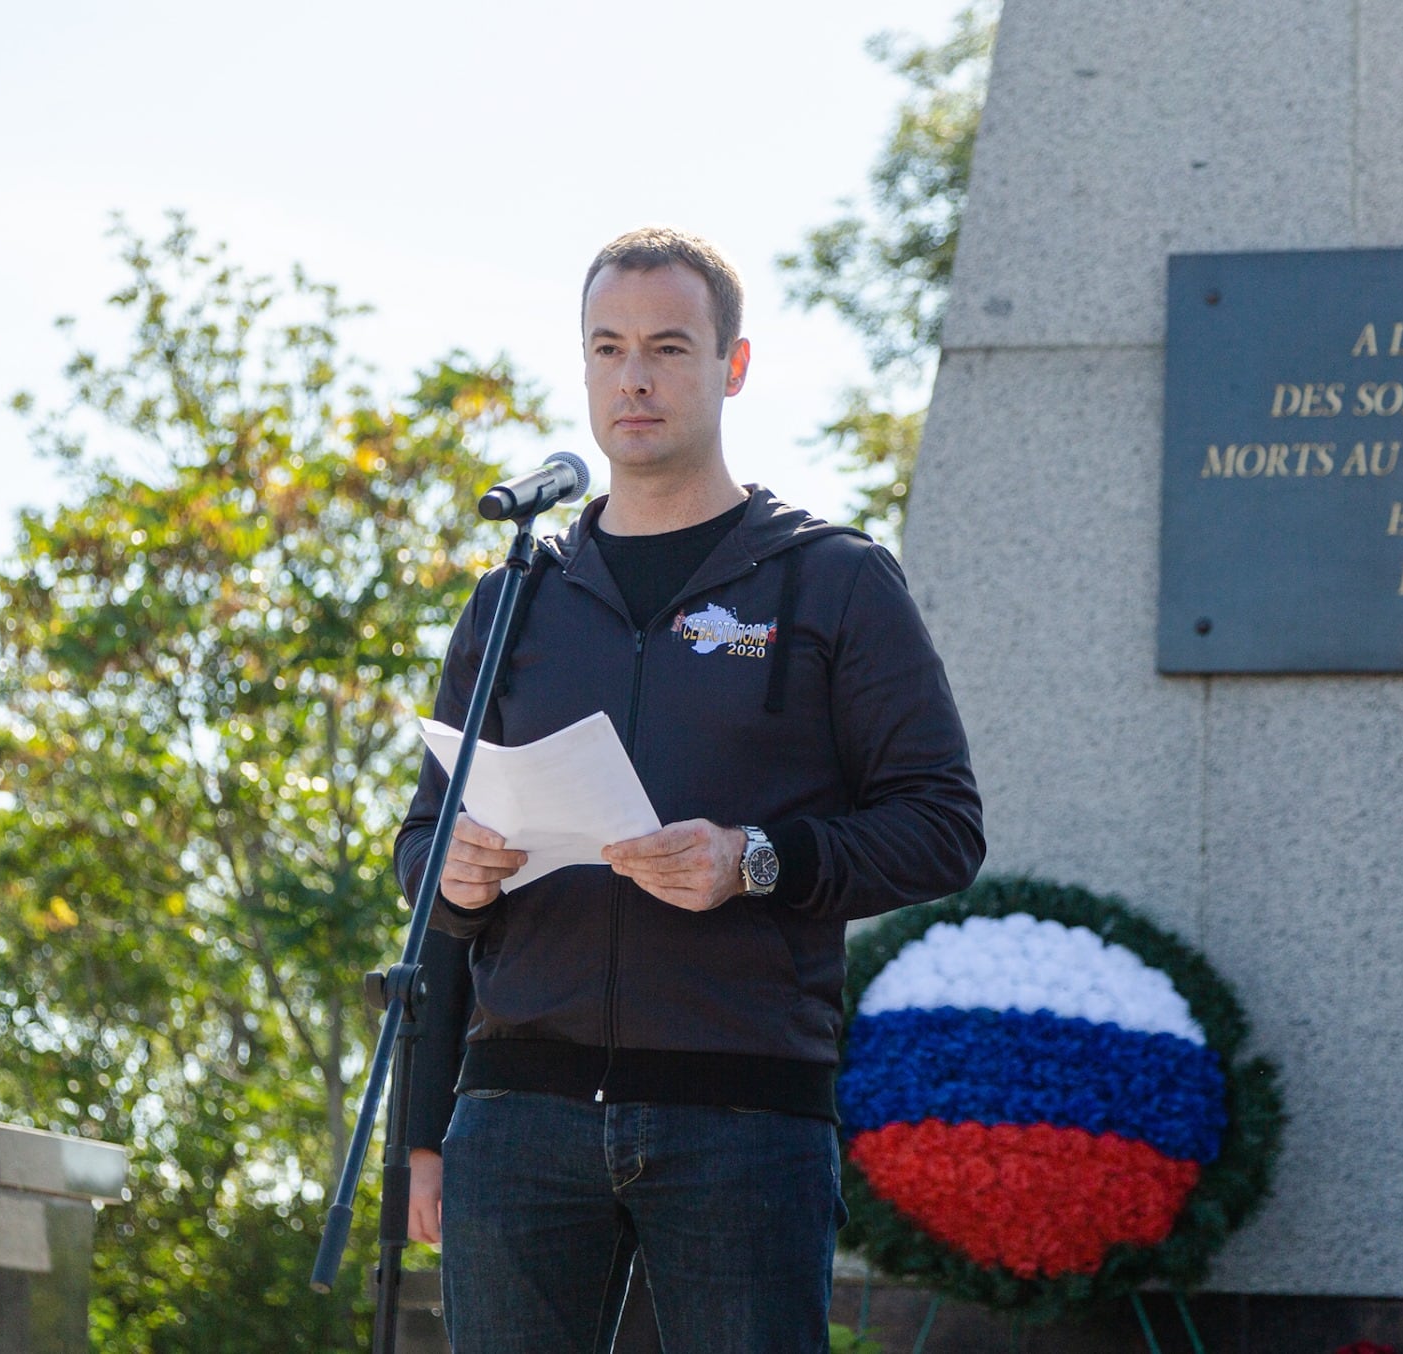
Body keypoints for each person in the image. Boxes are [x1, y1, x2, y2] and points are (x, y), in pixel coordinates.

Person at [394, 225, 985, 1353]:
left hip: (741, 1115)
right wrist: (454, 872)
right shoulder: (514, 598)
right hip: (517, 1117)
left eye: (667, 346)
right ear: (582, 368)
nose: (635, 376)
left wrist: (752, 858)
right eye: (608, 348)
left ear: (734, 365)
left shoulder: (832, 580)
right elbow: (422, 844)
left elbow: (940, 827)